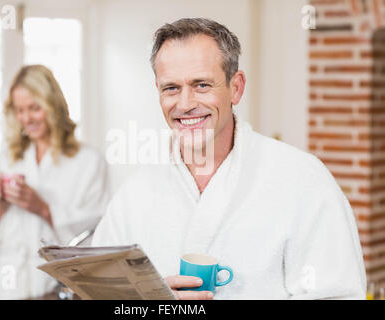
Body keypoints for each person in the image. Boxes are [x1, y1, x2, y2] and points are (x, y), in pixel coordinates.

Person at [92, 18, 367, 299]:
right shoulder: (134, 194)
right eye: (171, 88)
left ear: (235, 88)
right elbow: (98, 290)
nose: (185, 104)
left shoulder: (303, 180)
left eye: (201, 85)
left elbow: (338, 294)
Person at [0, 65, 108, 299]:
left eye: (34, 108)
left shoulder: (87, 161)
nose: (26, 118)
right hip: (6, 287)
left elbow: (96, 234)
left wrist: (43, 208)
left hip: (57, 288)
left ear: (53, 105)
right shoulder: (6, 160)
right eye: (20, 110)